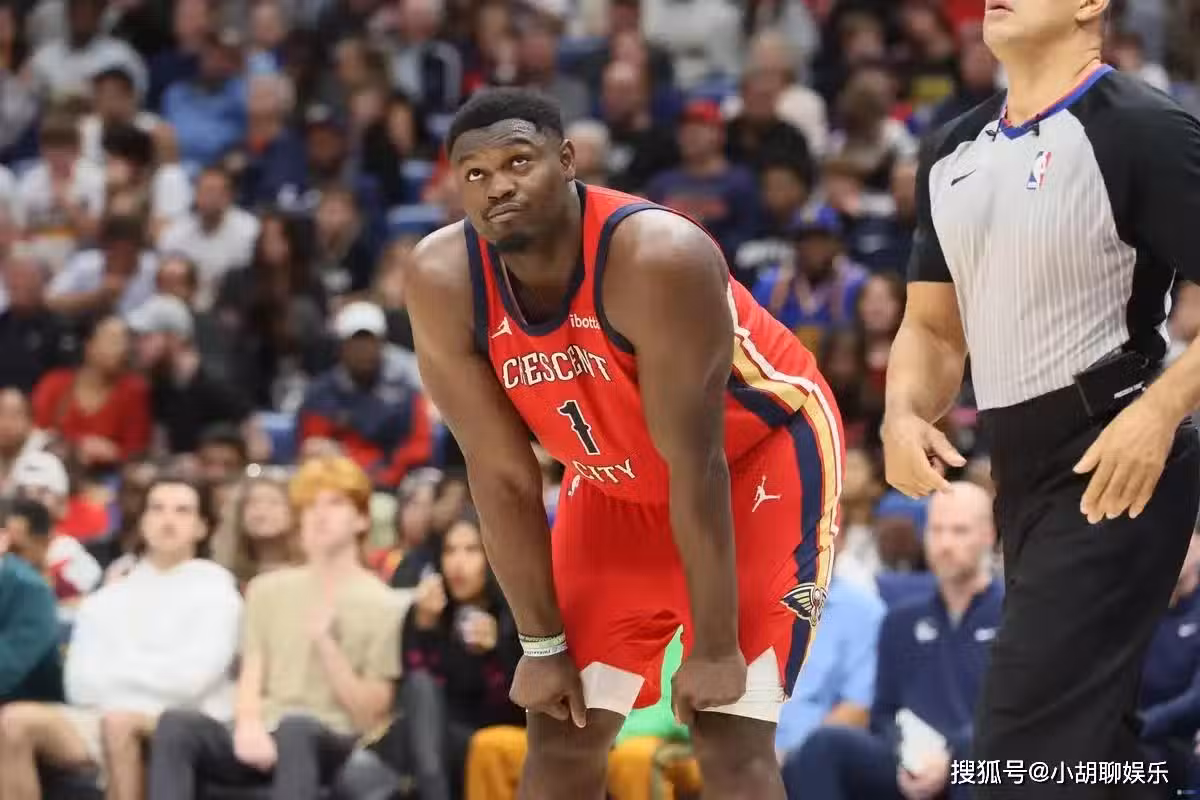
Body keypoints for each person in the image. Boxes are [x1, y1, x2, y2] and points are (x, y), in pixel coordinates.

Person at [406, 88, 844, 799]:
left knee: (728, 734)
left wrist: (714, 645)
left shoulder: (658, 255)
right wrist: (541, 645)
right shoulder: (441, 278)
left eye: (518, 161)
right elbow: (500, 474)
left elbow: (695, 462)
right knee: (560, 730)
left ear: (567, 160)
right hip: (611, 475)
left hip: (754, 462)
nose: (498, 186)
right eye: (475, 173)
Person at [880, 0, 1200, 796]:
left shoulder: (1141, 128)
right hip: (1017, 472)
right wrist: (901, 412)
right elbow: (933, 328)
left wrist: (1160, 410)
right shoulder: (951, 148)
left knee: (1015, 752)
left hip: (1114, 458)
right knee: (1089, 750)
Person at [146, 455, 404, 800]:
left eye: (334, 503)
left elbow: (370, 716)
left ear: (361, 519)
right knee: (176, 724)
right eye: (309, 506)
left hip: (335, 740)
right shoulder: (267, 590)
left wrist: (326, 644)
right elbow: (252, 673)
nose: (320, 515)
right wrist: (248, 724)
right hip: (265, 733)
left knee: (296, 728)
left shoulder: (385, 603)